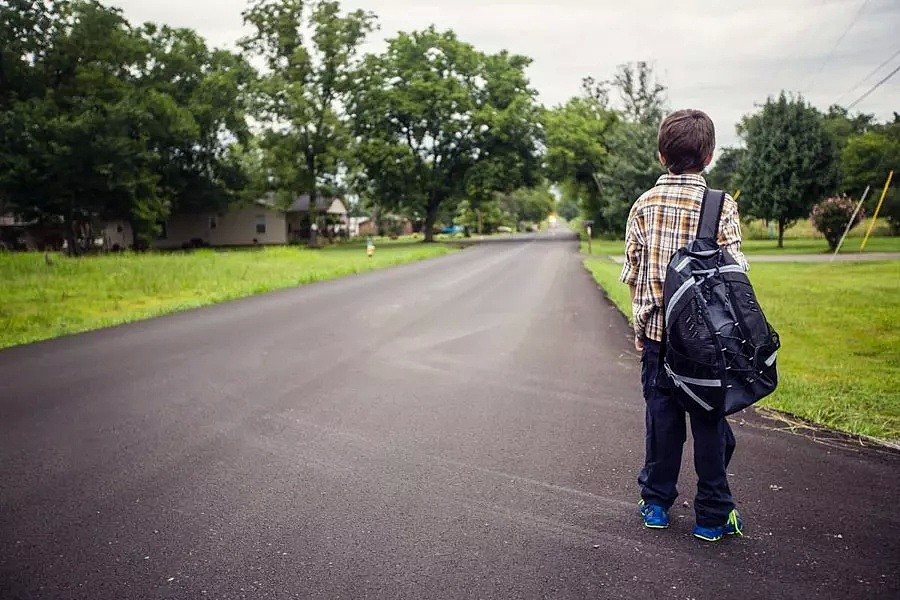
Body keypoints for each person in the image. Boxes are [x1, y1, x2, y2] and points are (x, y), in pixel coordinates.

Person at [619, 109, 749, 542]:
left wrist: (640, 332)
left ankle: (655, 503)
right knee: (711, 426)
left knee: (662, 423)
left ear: (661, 156)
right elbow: (737, 275)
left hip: (658, 341)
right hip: (707, 347)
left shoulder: (643, 205)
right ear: (709, 156)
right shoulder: (719, 205)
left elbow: (636, 276)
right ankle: (712, 516)